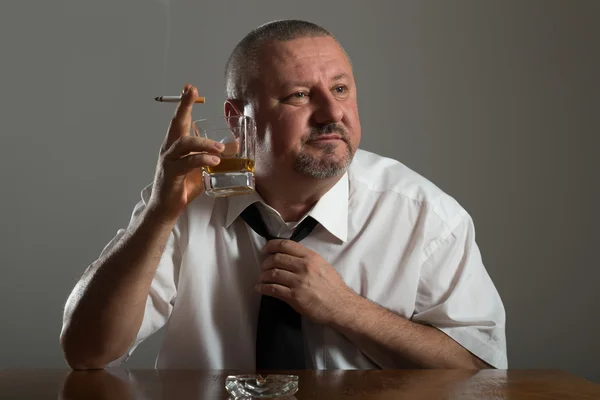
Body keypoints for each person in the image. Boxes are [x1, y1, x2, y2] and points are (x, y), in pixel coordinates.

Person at [60, 19, 507, 370]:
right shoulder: (185, 199)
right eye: (298, 96)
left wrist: (346, 309)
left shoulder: (425, 215)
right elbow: (87, 352)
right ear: (237, 120)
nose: (332, 113)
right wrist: (158, 213)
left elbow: (479, 368)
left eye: (340, 89)